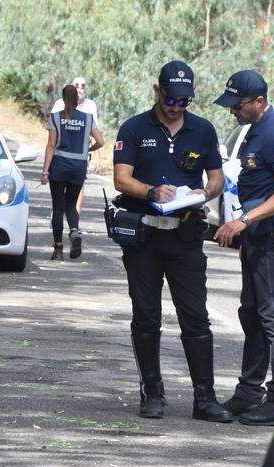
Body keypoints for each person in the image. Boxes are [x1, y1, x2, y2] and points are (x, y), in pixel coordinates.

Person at [111, 60, 231, 422]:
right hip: (145, 237)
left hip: (185, 237)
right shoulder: (134, 128)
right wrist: (151, 191)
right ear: (157, 91)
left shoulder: (203, 130)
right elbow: (120, 179)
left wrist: (204, 192)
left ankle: (205, 398)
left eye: (184, 101)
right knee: (146, 317)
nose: (177, 107)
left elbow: (217, 178)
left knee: (195, 317)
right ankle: (152, 392)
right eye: (171, 99)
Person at [212, 70, 274, 426]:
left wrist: (243, 224)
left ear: (259, 102)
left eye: (238, 105)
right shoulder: (256, 130)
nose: (233, 111)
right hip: (256, 233)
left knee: (273, 315)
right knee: (252, 311)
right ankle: (250, 392)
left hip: (270, 230)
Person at [40, 84, 104, 260]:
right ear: (76, 99)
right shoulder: (88, 118)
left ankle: (58, 248)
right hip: (78, 167)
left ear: (62, 98)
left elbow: (51, 145)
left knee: (58, 207)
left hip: (59, 167)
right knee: (71, 204)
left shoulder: (55, 118)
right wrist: (88, 149)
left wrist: (45, 171)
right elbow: (100, 141)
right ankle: (74, 231)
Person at [51, 77, 100, 215]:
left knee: (78, 187)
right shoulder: (59, 104)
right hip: (60, 153)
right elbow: (51, 136)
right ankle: (57, 214)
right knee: (59, 188)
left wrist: (95, 155)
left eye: (83, 86)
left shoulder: (91, 106)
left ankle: (74, 220)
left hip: (81, 153)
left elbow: (96, 133)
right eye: (76, 85)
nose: (80, 88)